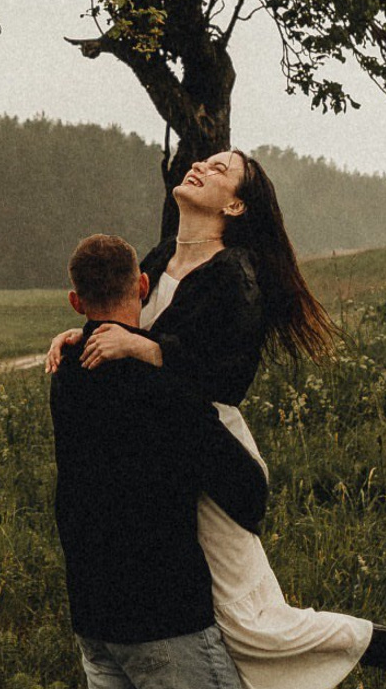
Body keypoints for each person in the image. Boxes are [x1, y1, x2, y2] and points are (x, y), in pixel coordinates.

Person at [47, 151, 386, 689]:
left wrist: (141, 347)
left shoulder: (236, 275)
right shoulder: (162, 258)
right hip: (165, 443)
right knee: (222, 615)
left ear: (235, 204)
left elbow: (225, 377)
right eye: (205, 161)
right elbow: (118, 315)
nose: (203, 167)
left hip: (211, 449)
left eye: (221, 171)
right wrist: (82, 333)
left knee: (246, 620)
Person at [51, 232, 270, 689]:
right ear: (144, 286)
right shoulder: (163, 389)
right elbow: (248, 491)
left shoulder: (65, 371)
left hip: (93, 613)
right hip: (163, 616)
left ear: (75, 301)